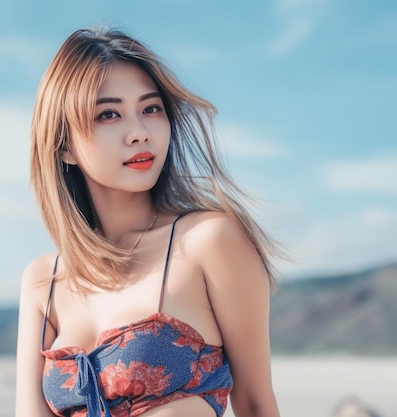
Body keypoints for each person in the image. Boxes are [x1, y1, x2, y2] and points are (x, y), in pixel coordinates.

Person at [16, 27, 282, 417]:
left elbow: (257, 403)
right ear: (64, 146)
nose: (139, 133)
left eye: (150, 109)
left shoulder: (208, 241)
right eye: (109, 114)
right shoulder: (44, 281)